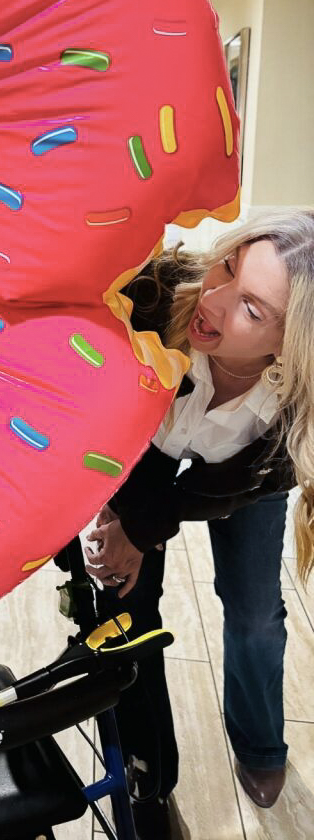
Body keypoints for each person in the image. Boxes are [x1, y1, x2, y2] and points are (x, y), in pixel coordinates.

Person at [85, 209, 314, 839]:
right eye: (228, 268)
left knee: (254, 613)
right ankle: (149, 775)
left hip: (241, 483)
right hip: (144, 448)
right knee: (128, 608)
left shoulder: (300, 407)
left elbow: (218, 491)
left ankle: (263, 745)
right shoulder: (164, 293)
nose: (212, 300)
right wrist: (120, 512)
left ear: (291, 343)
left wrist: (142, 528)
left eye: (253, 309)